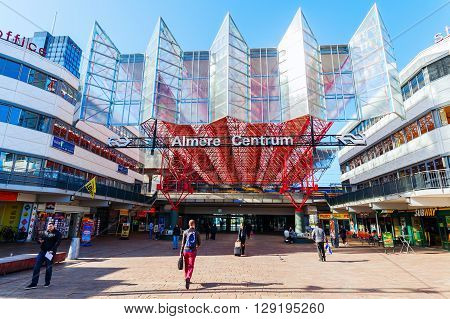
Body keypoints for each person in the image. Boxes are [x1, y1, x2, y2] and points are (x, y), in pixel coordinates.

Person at [25, 222, 62, 289]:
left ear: (54, 226)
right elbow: (39, 240)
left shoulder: (57, 233)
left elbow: (57, 243)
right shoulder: (44, 232)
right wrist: (39, 241)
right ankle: (34, 283)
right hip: (42, 251)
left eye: (51, 226)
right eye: (48, 226)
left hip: (50, 253)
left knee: (48, 267)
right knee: (36, 266)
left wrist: (52, 250)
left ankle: (47, 282)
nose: (49, 227)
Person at [180, 220, 201, 289]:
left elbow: (183, 243)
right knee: (191, 266)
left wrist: (181, 253)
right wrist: (197, 245)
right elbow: (199, 243)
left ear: (189, 224)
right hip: (192, 251)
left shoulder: (185, 232)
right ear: (194, 224)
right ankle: (188, 277)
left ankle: (186, 277)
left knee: (186, 265)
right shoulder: (196, 232)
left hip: (186, 250)